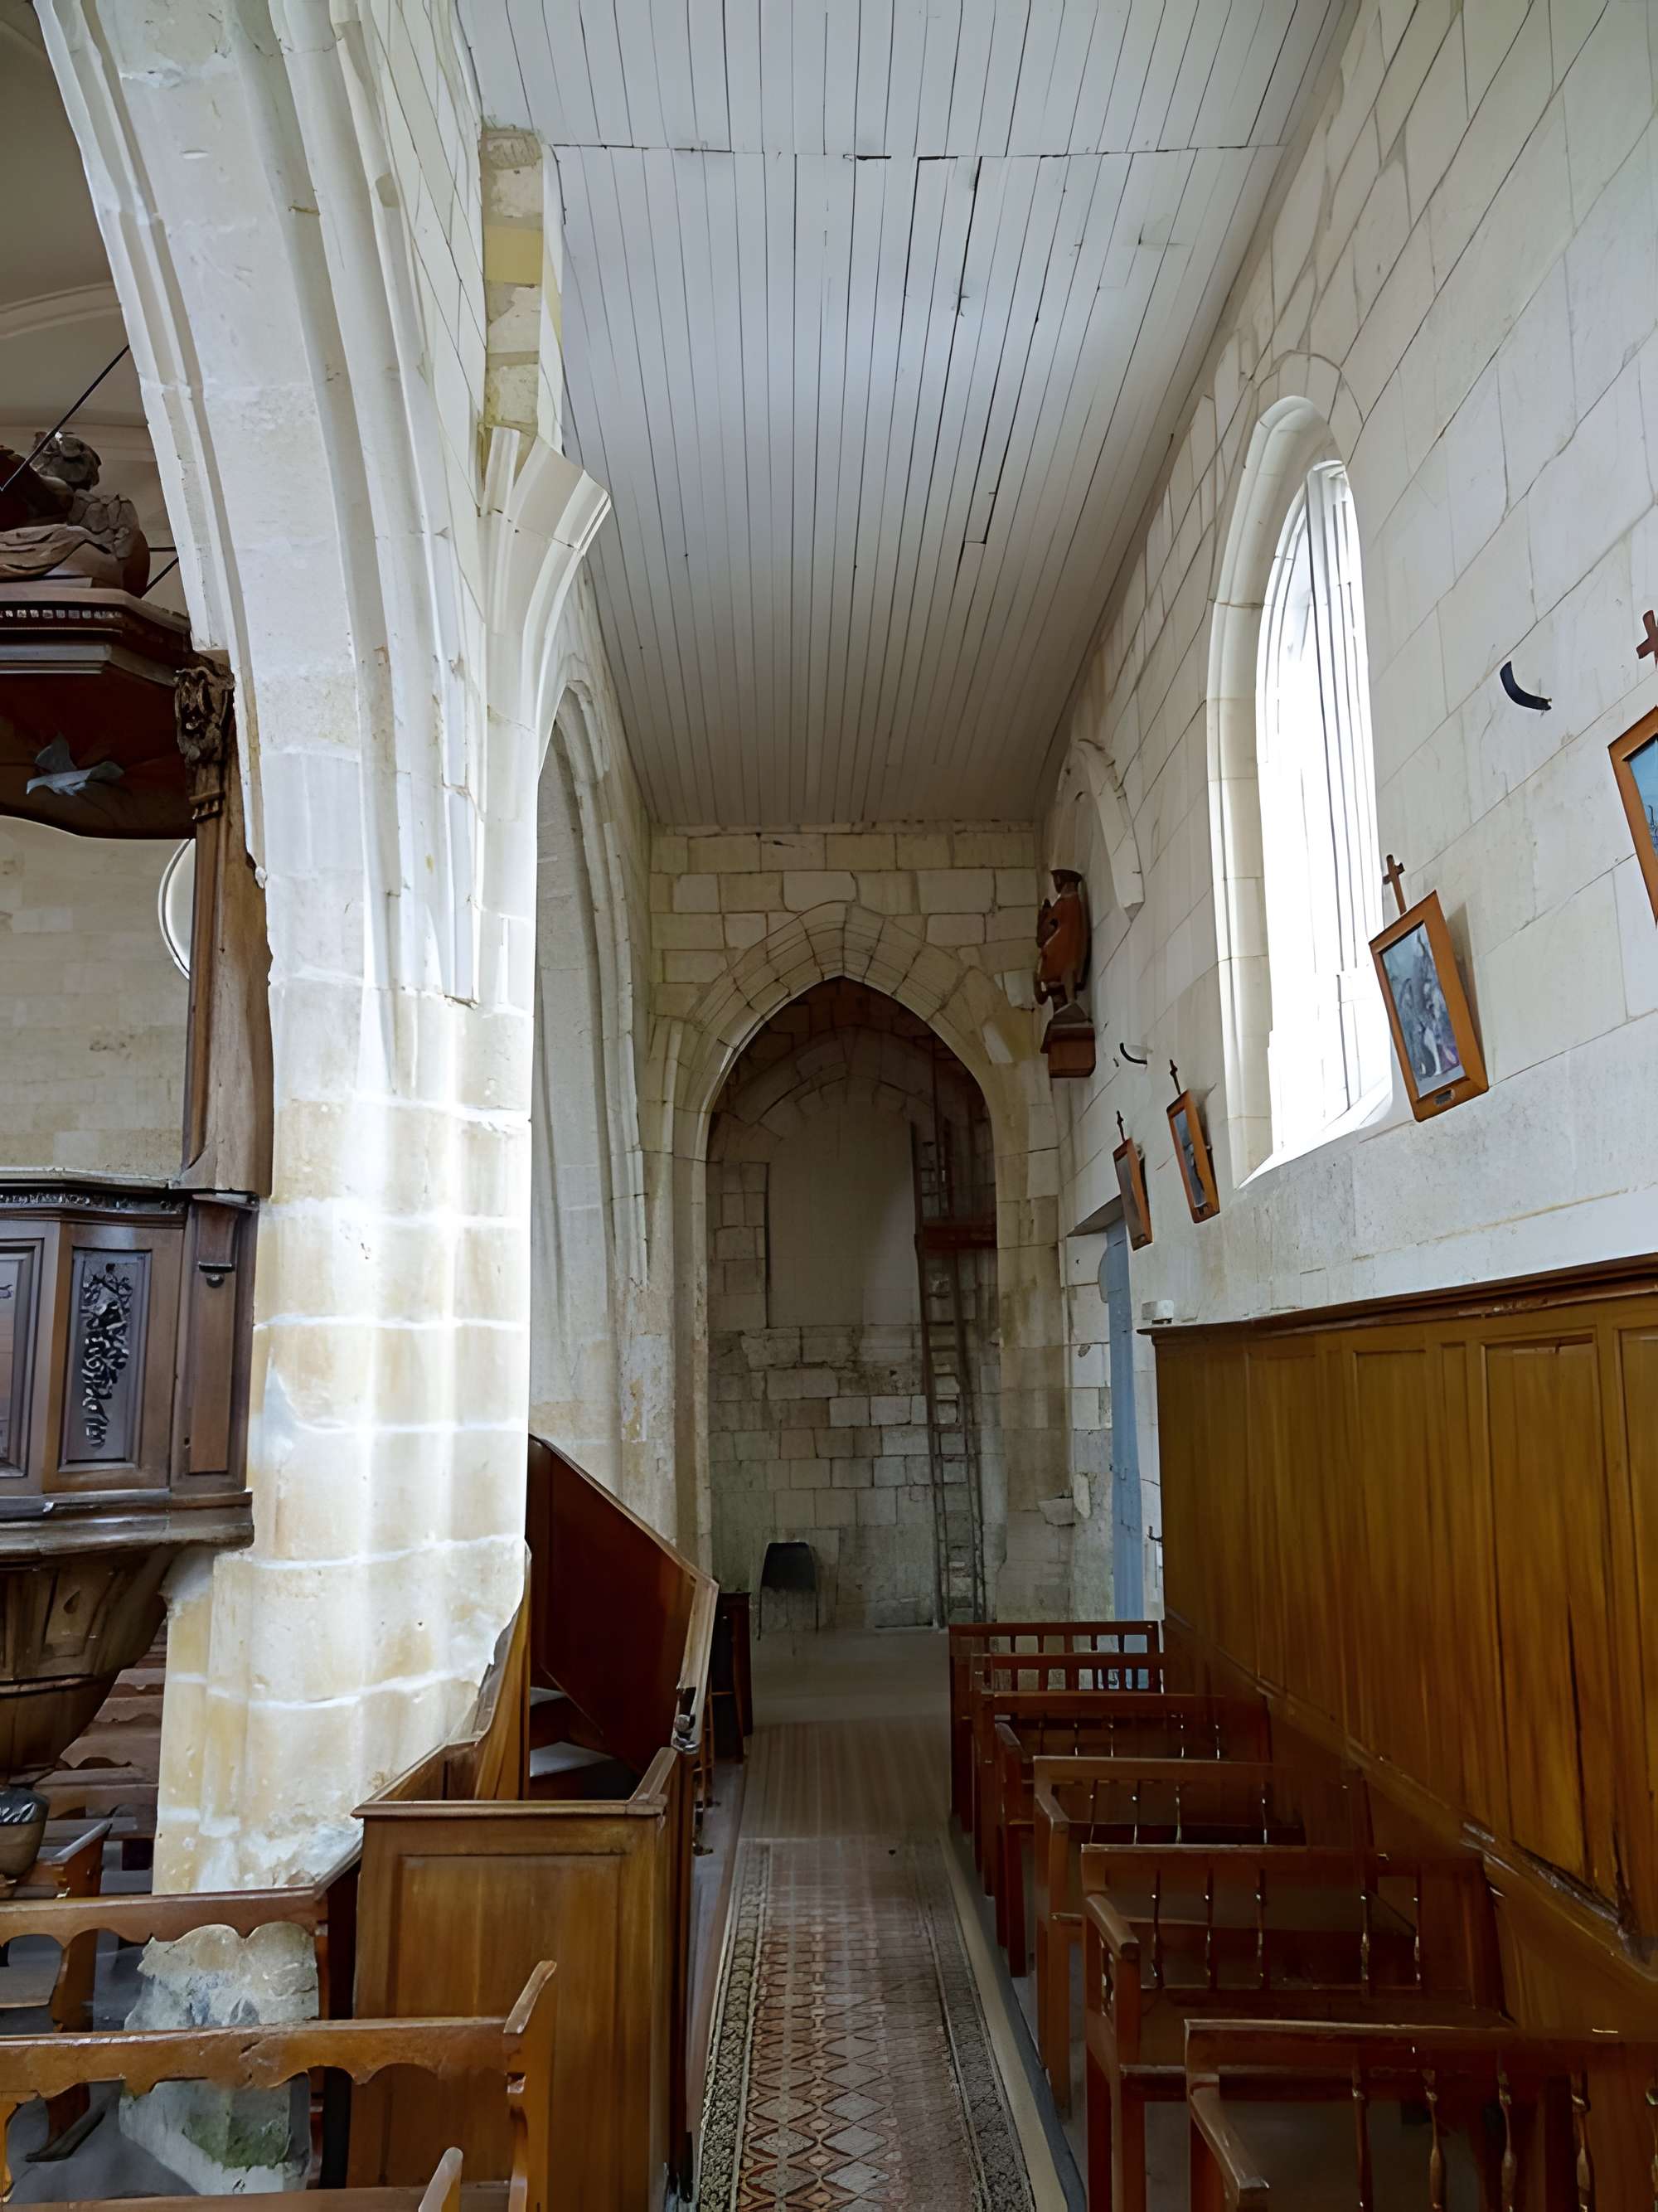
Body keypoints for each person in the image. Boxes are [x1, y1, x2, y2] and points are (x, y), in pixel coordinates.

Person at [0, 433, 148, 593]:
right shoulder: (31, 488)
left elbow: (57, 493)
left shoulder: (98, 509)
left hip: (58, 546)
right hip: (26, 543)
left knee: (77, 539)